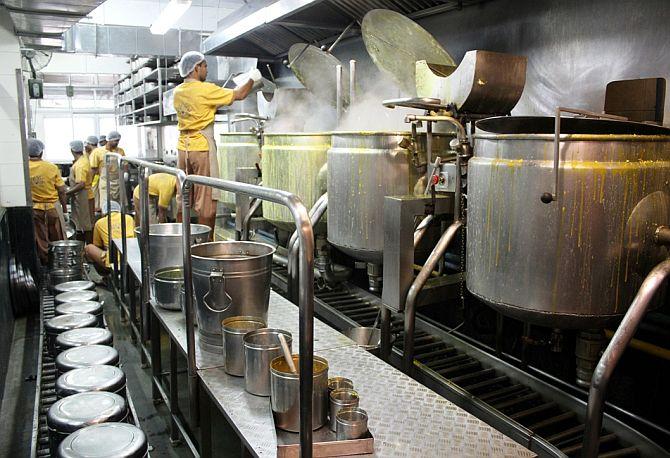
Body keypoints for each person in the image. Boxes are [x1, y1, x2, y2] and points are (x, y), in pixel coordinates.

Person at [173, 51, 258, 232]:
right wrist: (253, 78)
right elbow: (240, 94)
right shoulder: (205, 89)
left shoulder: (178, 92)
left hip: (183, 148)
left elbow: (200, 106)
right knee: (207, 200)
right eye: (205, 66)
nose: (206, 70)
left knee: (184, 197)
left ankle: (181, 243)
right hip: (202, 147)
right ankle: (205, 247)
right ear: (196, 68)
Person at [27, 138, 67, 264]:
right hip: (52, 208)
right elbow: (61, 190)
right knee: (58, 238)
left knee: (41, 240)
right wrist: (65, 211)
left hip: (35, 208)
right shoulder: (51, 167)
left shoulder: (24, 168)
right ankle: (60, 263)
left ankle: (46, 265)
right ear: (41, 153)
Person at [86, 200, 135, 272]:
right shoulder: (128, 218)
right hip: (133, 257)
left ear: (103, 212)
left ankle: (106, 274)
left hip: (114, 261)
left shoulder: (99, 223)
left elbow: (97, 245)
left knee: (89, 248)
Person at [66, 140, 93, 243]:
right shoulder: (82, 160)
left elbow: (81, 184)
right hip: (82, 197)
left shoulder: (80, 165)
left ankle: (88, 248)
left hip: (83, 198)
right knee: (82, 225)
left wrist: (67, 193)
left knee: (86, 226)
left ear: (72, 150)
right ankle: (83, 248)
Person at [90, 130, 126, 207]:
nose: (117, 143)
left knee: (119, 206)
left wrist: (126, 174)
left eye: (118, 141)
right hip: (105, 183)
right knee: (105, 206)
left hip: (118, 182)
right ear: (108, 140)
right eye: (115, 141)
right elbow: (93, 169)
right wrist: (90, 184)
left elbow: (125, 165)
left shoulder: (120, 151)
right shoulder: (97, 152)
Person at [84, 136, 98, 223]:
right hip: (95, 179)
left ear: (90, 144)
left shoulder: (95, 153)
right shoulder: (91, 153)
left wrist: (89, 182)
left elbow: (93, 169)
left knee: (94, 204)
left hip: (94, 179)